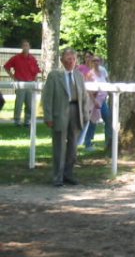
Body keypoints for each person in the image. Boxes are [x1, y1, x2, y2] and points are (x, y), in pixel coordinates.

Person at [42, 47, 91, 187]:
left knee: (73, 146)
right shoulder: (54, 75)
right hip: (60, 113)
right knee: (59, 146)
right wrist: (48, 116)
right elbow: (47, 98)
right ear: (62, 60)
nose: (71, 62)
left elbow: (84, 96)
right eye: (68, 59)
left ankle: (68, 174)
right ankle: (57, 177)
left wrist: (85, 113)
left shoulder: (79, 76)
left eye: (73, 59)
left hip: (76, 112)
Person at [3, 39, 41, 127]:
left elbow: (35, 72)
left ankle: (27, 121)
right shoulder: (16, 58)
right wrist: (13, 77)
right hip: (20, 83)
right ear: (21, 47)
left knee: (30, 104)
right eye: (24, 45)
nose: (25, 47)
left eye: (27, 45)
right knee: (19, 103)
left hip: (30, 83)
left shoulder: (32, 59)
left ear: (29, 47)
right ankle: (17, 121)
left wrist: (35, 83)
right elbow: (6, 67)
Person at [83, 56, 111, 152]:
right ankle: (88, 143)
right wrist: (94, 101)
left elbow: (108, 82)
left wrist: (110, 92)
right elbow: (88, 89)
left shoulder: (103, 71)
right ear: (91, 62)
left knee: (107, 118)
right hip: (94, 100)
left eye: (97, 60)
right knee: (93, 121)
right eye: (94, 61)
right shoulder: (90, 74)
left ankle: (108, 141)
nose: (96, 62)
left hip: (103, 99)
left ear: (100, 61)